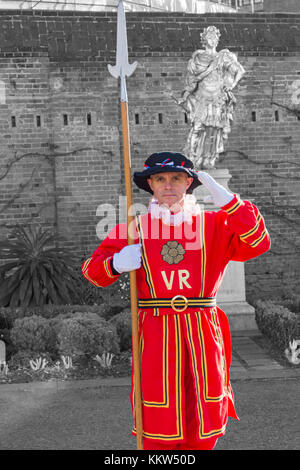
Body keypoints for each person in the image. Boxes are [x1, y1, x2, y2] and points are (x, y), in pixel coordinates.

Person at [82, 151, 270, 450]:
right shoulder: (134, 230)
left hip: (202, 330)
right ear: (151, 186)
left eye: (176, 178)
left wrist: (232, 204)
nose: (168, 185)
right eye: (160, 179)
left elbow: (259, 242)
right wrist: (116, 263)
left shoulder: (215, 224)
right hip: (155, 332)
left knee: (203, 412)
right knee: (158, 418)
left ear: (188, 184)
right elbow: (92, 272)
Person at [177, 26, 245, 169]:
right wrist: (186, 94)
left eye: (214, 38)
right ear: (204, 40)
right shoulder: (197, 58)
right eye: (209, 37)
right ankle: (192, 157)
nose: (212, 40)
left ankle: (209, 159)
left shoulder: (222, 57)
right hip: (201, 97)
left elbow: (240, 71)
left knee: (214, 129)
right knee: (198, 127)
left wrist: (231, 85)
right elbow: (191, 80)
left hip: (218, 98)